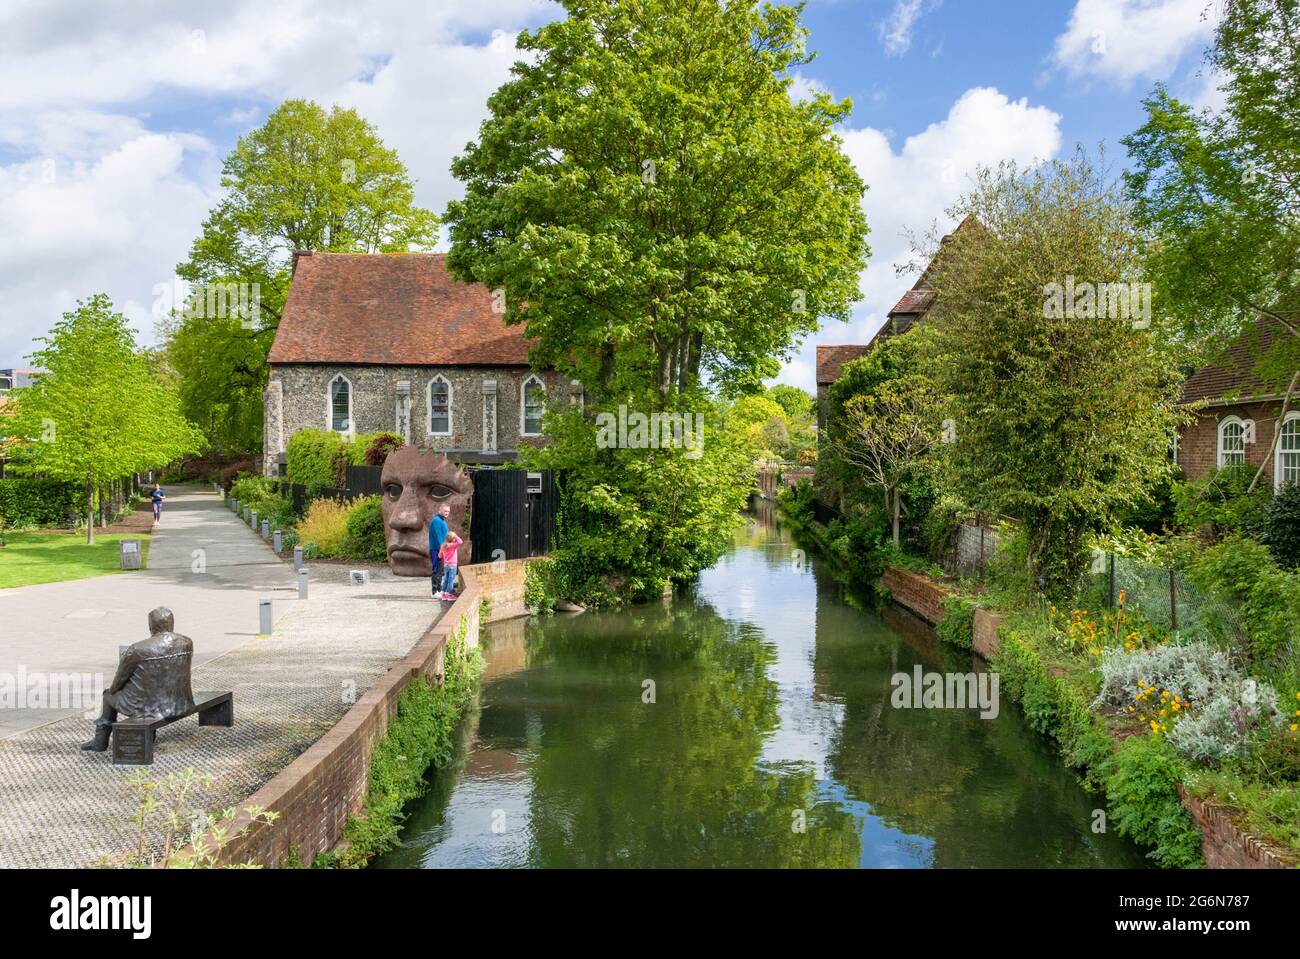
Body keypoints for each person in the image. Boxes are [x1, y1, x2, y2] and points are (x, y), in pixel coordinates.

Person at [81, 607, 195, 752]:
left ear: (151, 626)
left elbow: (117, 684)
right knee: (148, 691)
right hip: (181, 703)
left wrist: (117, 689)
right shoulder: (186, 642)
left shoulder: (137, 649)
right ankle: (145, 733)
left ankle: (100, 742)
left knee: (108, 695)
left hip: (151, 708)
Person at [428, 503, 450, 596]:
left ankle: (439, 590)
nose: (447, 513)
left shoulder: (442, 521)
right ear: (440, 510)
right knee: (436, 570)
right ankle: (434, 592)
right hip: (436, 550)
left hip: (441, 549)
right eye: (445, 511)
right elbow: (438, 537)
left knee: (440, 571)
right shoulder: (437, 521)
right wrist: (442, 550)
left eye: (448, 511)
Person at [436, 529, 463, 601]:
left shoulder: (443, 545)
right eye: (454, 538)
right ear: (452, 539)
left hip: (446, 565)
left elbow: (439, 556)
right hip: (452, 565)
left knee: (446, 579)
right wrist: (456, 536)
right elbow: (460, 542)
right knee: (451, 580)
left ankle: (443, 593)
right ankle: (449, 595)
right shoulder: (452, 545)